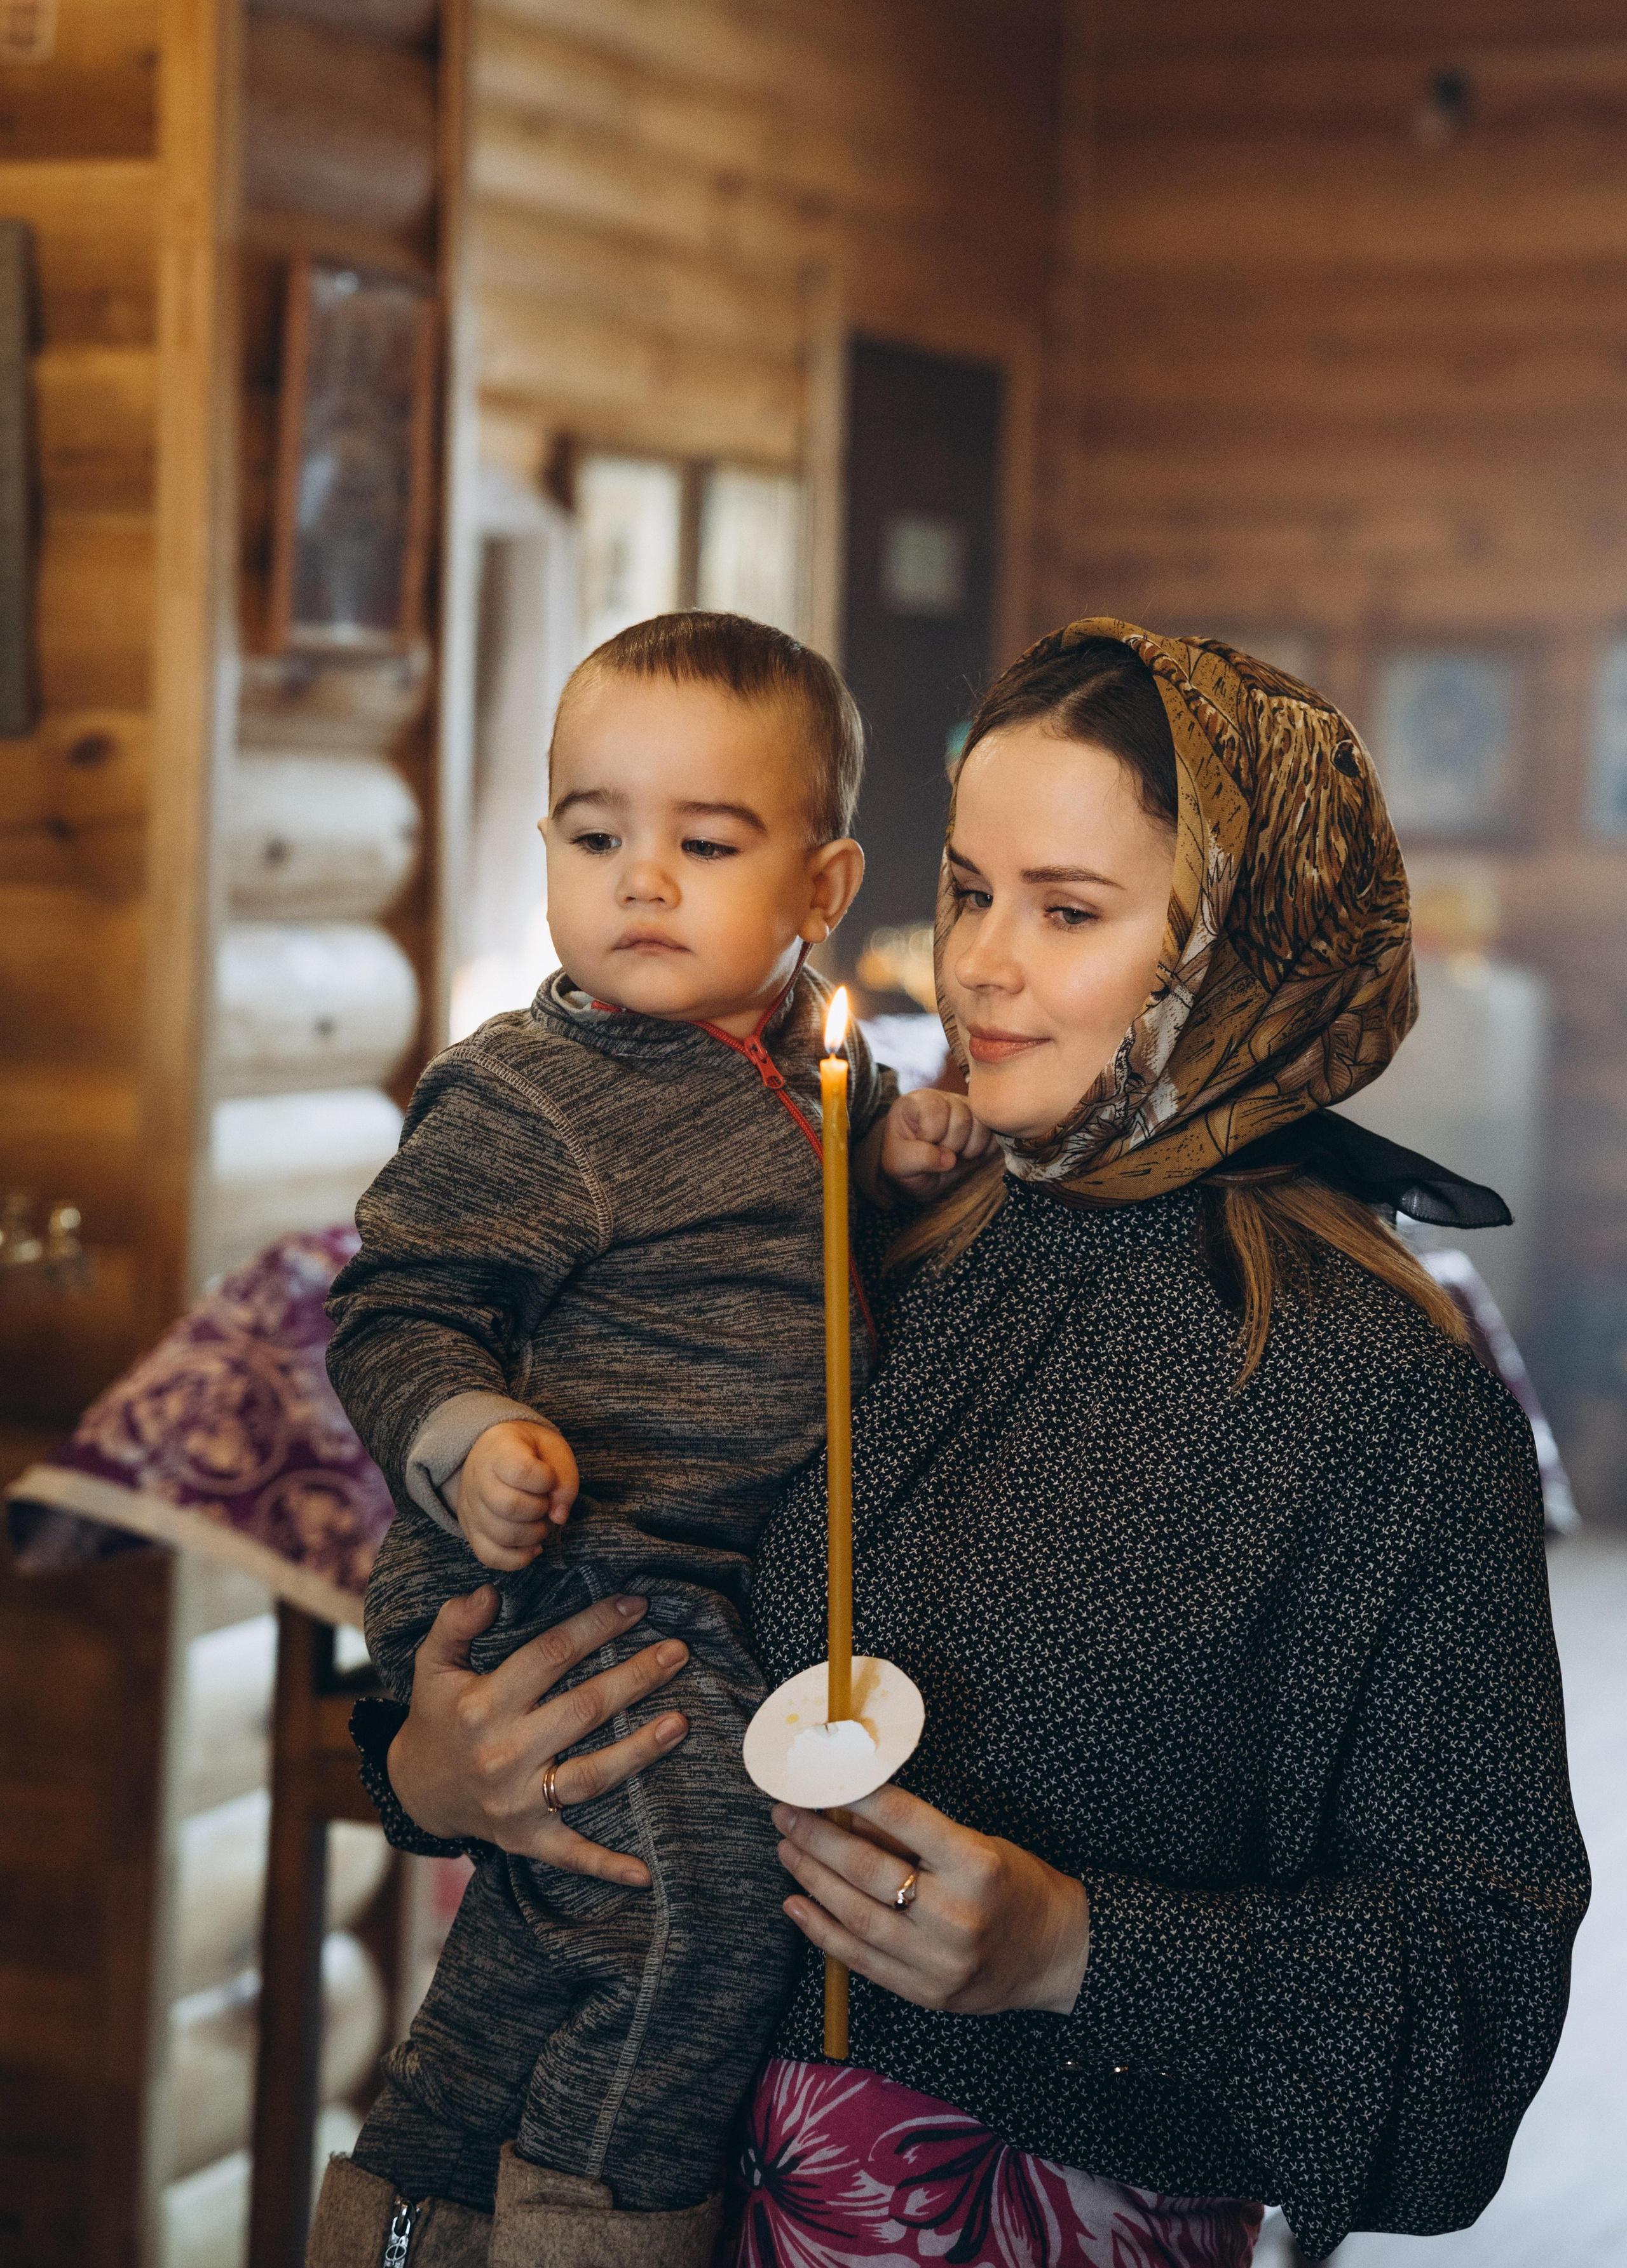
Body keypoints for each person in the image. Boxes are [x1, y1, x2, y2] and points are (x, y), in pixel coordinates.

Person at [353, 620, 1589, 2268]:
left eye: (1067, 909)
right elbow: (560, 1571)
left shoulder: (1375, 1396)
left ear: (1244, 940)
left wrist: (1074, 1948)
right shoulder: (863, 1230)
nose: (979, 964)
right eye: (968, 889)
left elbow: (1470, 2024)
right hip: (597, 2187)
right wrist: (428, 1767)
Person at [314, 612, 984, 2268]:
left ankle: (405, 2208)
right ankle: (604, 2220)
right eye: (596, 833)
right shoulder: (531, 1090)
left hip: (698, 1590)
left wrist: (904, 1163)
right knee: (701, 1908)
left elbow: (844, 1151)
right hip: (565, 1580)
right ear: (543, 842)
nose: (643, 881)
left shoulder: (807, 1047)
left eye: (705, 841)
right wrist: (471, 1437)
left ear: (820, 890)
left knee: (548, 1933)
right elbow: (392, 1309)